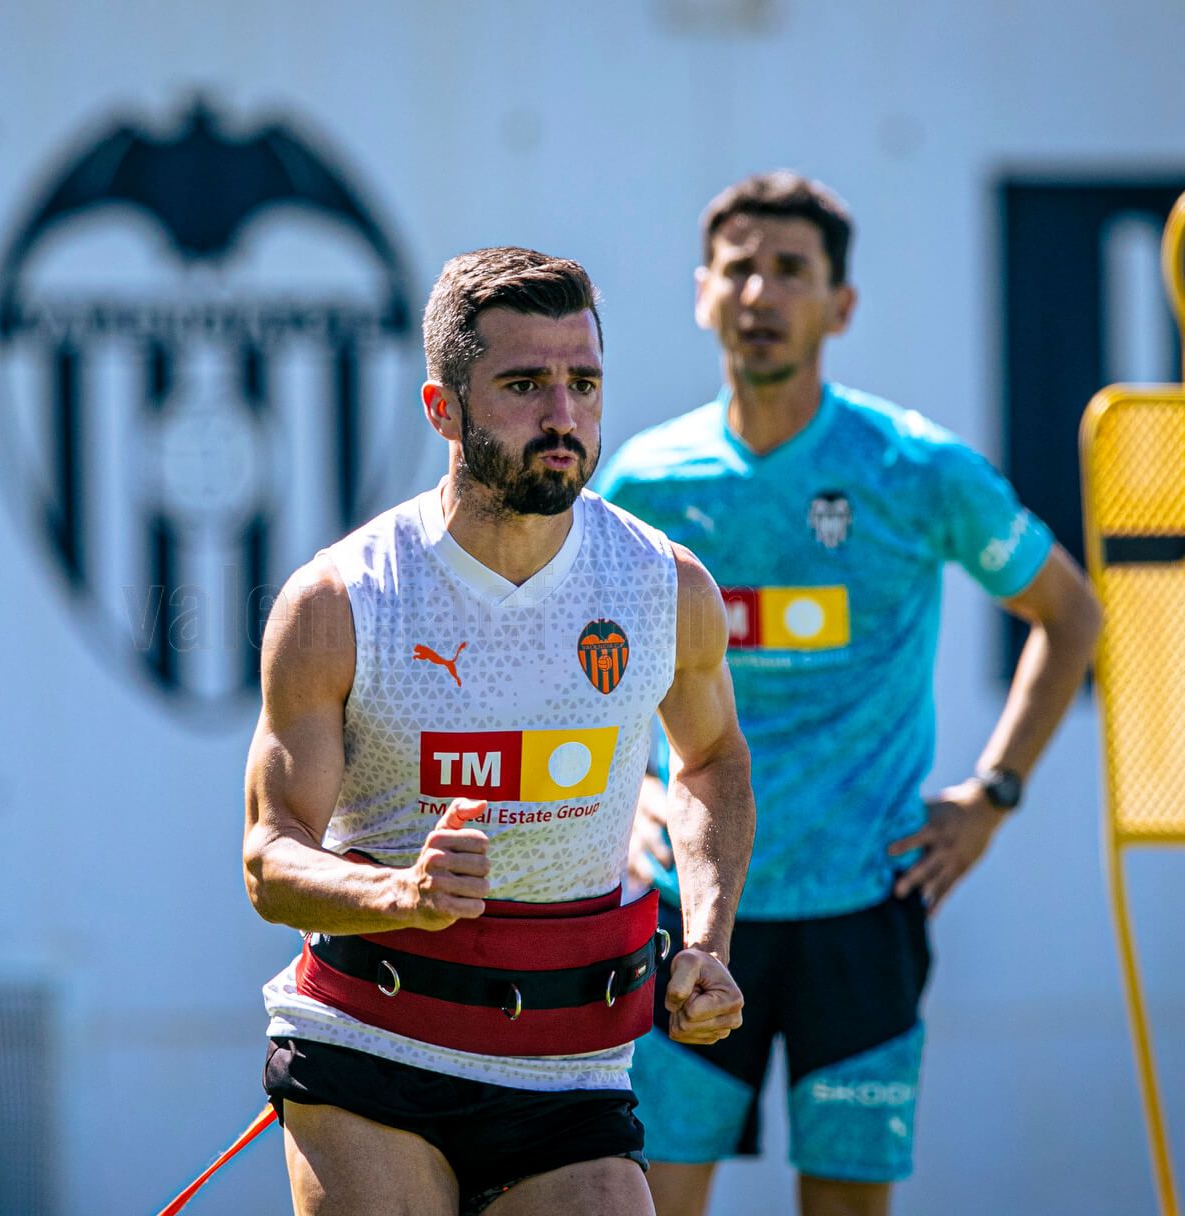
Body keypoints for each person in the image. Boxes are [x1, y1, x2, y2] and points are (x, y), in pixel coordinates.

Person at [594, 173, 1104, 1216]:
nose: (760, 293)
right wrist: (623, 794)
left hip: (860, 908)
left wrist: (993, 793)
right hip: (689, 914)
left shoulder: (911, 467)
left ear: (841, 304)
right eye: (739, 269)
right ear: (701, 294)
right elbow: (580, 659)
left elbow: (1071, 614)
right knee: (644, 1202)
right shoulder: (643, 481)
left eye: (791, 271)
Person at [243, 246, 760, 1216]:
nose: (561, 415)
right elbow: (268, 860)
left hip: (570, 1066)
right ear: (441, 408)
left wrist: (706, 939)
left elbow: (710, 761)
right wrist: (399, 889)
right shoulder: (338, 600)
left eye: (582, 383)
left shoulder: (663, 586)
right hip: (370, 1045)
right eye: (524, 384)